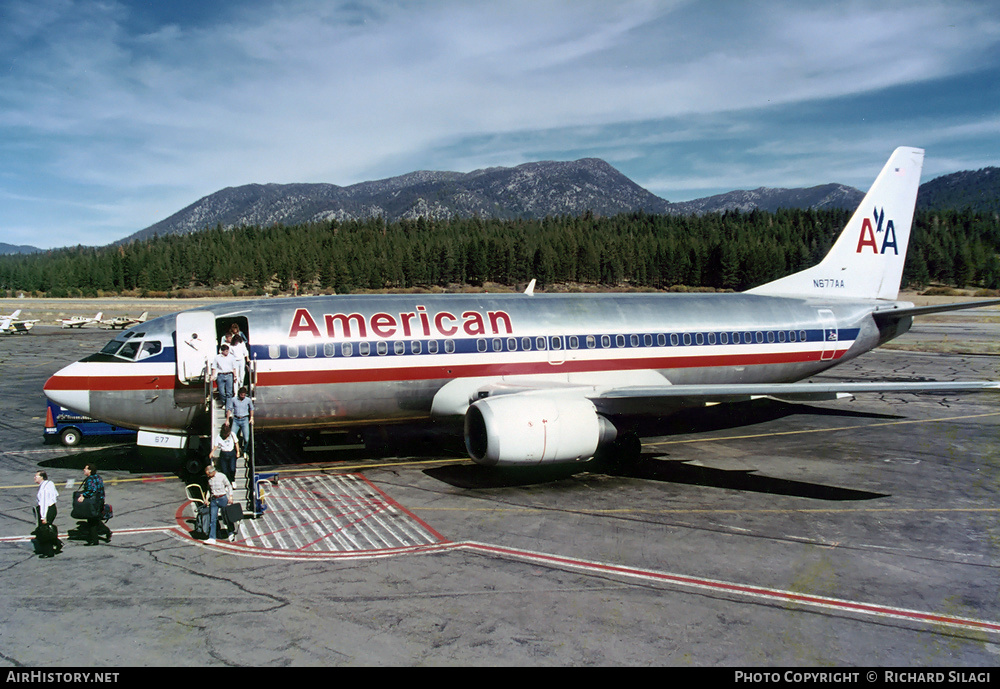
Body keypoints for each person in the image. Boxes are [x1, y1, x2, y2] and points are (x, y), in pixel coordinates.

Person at [77, 463, 111, 546]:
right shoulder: (98, 477)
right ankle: (106, 532)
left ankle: (94, 540)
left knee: (91, 520)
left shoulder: (90, 479)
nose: (84, 470)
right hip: (100, 501)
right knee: (95, 519)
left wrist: (83, 495)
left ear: (90, 470)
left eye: (86, 469)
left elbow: (92, 490)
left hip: (93, 502)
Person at [33, 471, 62, 558]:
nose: (34, 478)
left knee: (44, 530)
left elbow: (44, 503)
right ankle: (57, 543)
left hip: (46, 509)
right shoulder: (49, 483)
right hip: (52, 508)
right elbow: (56, 494)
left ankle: (48, 552)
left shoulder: (44, 489)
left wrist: (43, 516)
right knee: (47, 529)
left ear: (42, 477)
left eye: (36, 476)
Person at [205, 464, 235, 544]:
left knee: (226, 517)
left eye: (209, 474)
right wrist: (206, 498)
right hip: (214, 499)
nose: (208, 476)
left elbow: (229, 486)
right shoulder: (209, 479)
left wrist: (230, 496)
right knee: (213, 519)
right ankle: (212, 538)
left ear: (213, 472)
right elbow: (209, 489)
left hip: (222, 498)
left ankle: (231, 531)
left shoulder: (222, 476)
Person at [226, 387, 254, 452]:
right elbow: (230, 409)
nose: (243, 396)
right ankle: (235, 450)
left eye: (244, 395)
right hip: (236, 420)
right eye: (242, 395)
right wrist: (227, 419)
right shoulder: (234, 400)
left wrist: (251, 417)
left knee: (246, 438)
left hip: (244, 420)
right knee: (232, 436)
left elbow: (251, 408)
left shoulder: (248, 400)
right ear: (239, 394)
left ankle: (244, 450)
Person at [212, 343, 237, 408]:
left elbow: (234, 368)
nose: (227, 352)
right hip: (220, 375)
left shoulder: (231, 357)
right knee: (221, 392)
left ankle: (228, 406)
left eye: (228, 350)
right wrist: (213, 375)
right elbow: (214, 367)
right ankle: (224, 402)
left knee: (229, 392)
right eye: (226, 351)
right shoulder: (217, 357)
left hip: (229, 375)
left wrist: (235, 376)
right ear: (222, 351)